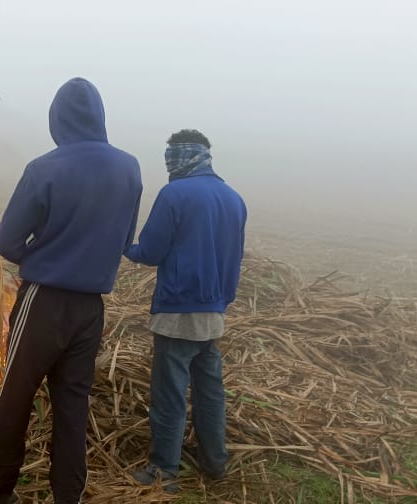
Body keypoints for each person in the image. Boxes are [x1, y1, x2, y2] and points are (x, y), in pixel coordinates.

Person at [0, 77, 143, 504]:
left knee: (15, 397)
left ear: (57, 119)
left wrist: (40, 254)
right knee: (72, 408)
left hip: (43, 302)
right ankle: (68, 496)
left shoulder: (45, 168)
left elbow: (8, 242)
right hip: (90, 310)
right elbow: (124, 239)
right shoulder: (129, 168)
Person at [124, 129, 247, 492]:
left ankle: (163, 471)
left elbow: (150, 251)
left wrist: (122, 247)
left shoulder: (174, 193)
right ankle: (215, 463)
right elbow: (235, 257)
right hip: (214, 312)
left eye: (171, 157)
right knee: (210, 391)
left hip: (178, 310)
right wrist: (223, 299)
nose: (168, 164)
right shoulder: (233, 198)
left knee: (170, 394)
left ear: (182, 156)